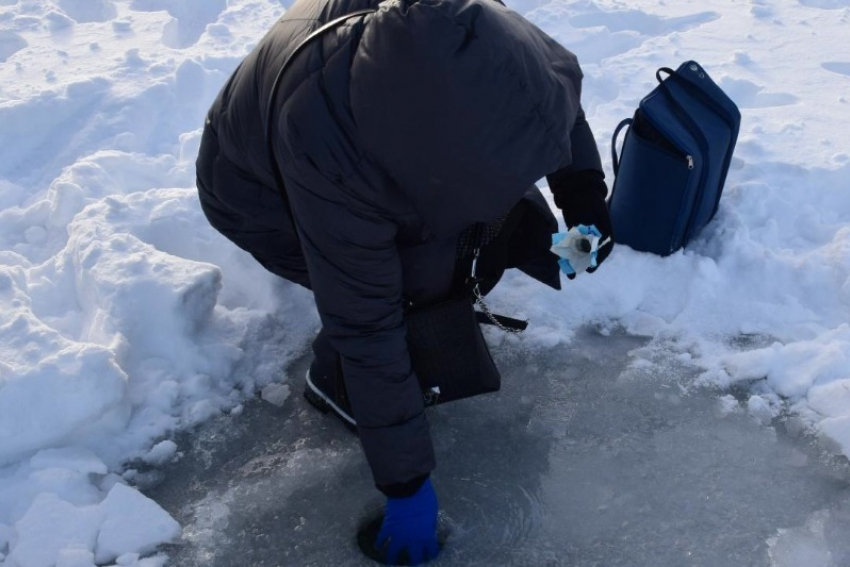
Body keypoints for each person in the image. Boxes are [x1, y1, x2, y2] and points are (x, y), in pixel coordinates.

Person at [195, 0, 614, 563]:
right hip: (258, 194)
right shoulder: (329, 148)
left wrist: (582, 190)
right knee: (413, 286)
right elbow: (366, 320)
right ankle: (333, 384)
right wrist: (406, 485)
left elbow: (545, 102)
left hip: (354, 129)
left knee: (486, 230)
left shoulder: (472, 29)